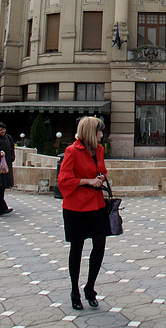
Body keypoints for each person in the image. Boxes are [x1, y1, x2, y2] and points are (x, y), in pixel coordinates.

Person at [58, 117, 108, 310]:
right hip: (76, 207)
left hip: (96, 205)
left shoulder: (100, 150)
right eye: (99, 131)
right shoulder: (72, 151)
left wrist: (101, 177)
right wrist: (88, 181)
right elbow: (64, 180)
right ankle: (74, 292)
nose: (101, 135)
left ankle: (90, 288)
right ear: (90, 132)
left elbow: (102, 171)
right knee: (77, 249)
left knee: (100, 245)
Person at [0, 122, 15, 214]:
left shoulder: (8, 138)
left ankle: (2, 207)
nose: (3, 131)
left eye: (4, 129)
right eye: (1, 130)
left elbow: (12, 148)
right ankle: (2, 207)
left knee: (4, 185)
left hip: (7, 163)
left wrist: (12, 158)